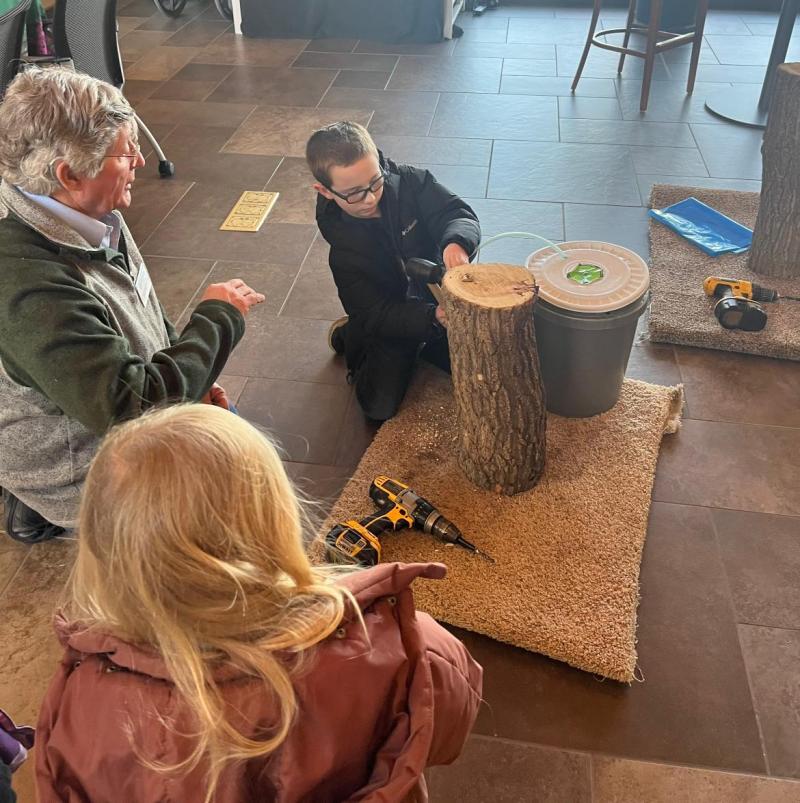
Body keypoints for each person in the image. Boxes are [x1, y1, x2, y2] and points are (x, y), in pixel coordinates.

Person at [35, 404, 483, 802]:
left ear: (99, 550)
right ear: (275, 520)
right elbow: (446, 732)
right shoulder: (403, 646)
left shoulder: (80, 699)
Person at [0, 67, 265, 543]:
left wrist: (191, 376)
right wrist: (216, 322)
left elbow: (138, 297)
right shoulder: (26, 284)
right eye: (127, 152)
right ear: (69, 174)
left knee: (239, 443)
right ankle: (49, 504)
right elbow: (130, 408)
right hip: (84, 461)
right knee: (238, 508)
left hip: (104, 400)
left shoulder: (78, 210)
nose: (142, 160)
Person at [306, 122, 481, 421]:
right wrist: (430, 318)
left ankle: (426, 339)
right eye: (354, 194)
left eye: (376, 182)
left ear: (379, 160)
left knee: (479, 362)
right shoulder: (344, 253)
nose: (371, 199)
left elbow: (455, 213)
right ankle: (350, 336)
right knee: (379, 407)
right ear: (324, 190)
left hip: (433, 293)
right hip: (389, 312)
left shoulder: (412, 181)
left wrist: (457, 243)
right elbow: (375, 313)